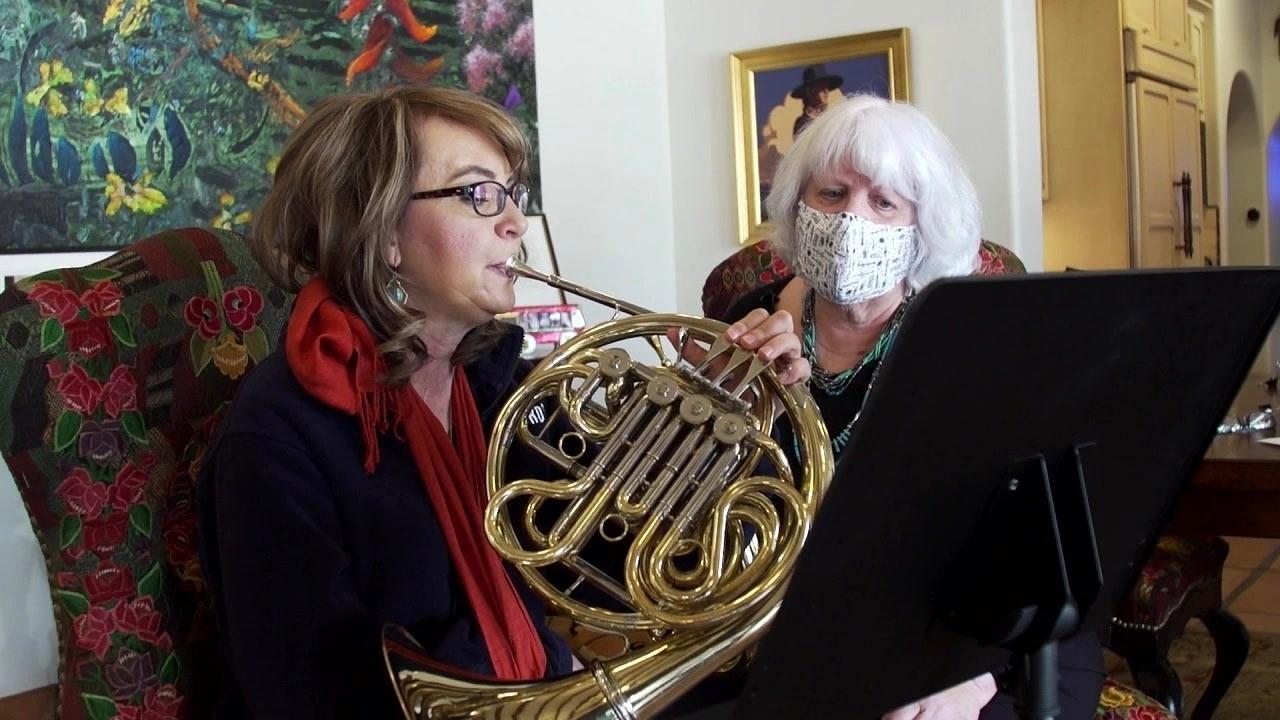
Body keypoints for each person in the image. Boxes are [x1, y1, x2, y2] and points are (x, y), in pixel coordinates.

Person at [196, 85, 810, 717]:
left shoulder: (506, 391)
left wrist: (723, 415)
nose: (516, 222)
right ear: (381, 232)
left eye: (513, 194)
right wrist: (539, 670)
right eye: (477, 194)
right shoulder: (279, 434)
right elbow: (311, 691)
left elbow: (630, 565)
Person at [718, 94, 1107, 719]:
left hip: (979, 629)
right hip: (794, 632)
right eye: (832, 194)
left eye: (884, 203)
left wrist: (968, 678)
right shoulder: (746, 327)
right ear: (797, 206)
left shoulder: (974, 346)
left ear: (921, 227)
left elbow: (1034, 540)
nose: (852, 218)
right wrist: (718, 409)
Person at [790, 64, 844, 140]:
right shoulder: (801, 124)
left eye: (826, 87)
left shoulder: (832, 119)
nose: (826, 91)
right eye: (821, 87)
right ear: (809, 92)